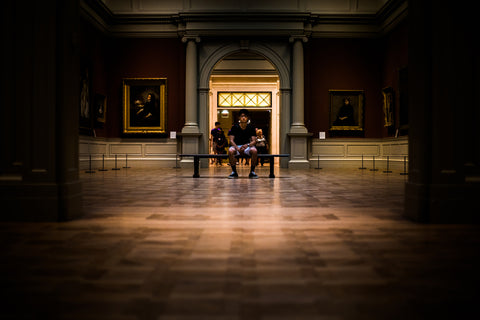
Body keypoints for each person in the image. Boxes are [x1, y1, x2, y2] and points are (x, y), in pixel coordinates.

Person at [227, 109, 258, 179]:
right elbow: (231, 140)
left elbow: (254, 141)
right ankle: (234, 172)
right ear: (239, 118)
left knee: (254, 151)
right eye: (242, 116)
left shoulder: (251, 127)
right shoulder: (235, 127)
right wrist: (237, 148)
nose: (243, 118)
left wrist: (247, 145)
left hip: (247, 146)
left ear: (247, 118)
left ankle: (252, 172)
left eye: (245, 116)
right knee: (230, 151)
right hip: (236, 146)